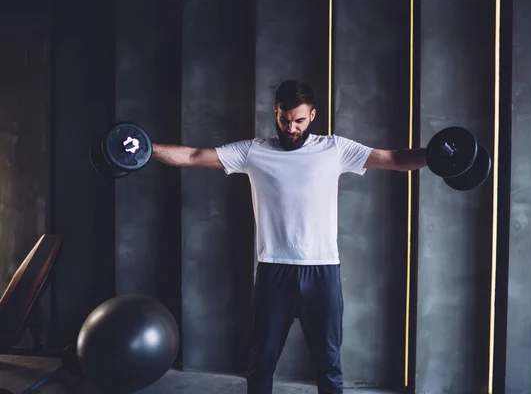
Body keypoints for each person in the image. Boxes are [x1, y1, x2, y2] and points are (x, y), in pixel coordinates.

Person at [151, 80, 427, 394]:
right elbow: (194, 156)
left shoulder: (334, 149)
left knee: (329, 366)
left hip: (322, 271)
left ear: (313, 116)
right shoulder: (255, 151)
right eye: (284, 120)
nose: (290, 128)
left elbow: (391, 159)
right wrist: (146, 148)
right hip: (274, 272)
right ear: (276, 113)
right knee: (260, 365)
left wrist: (434, 156)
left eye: (298, 121)